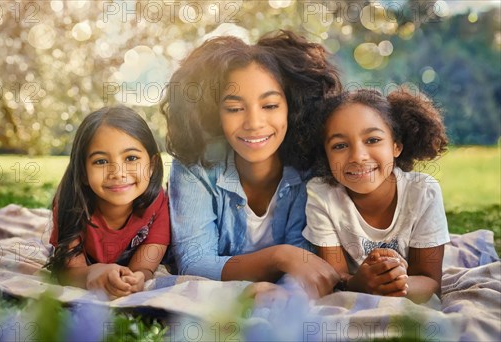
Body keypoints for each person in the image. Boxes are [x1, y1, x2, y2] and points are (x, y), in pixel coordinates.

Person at [160, 30, 341, 298]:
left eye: (269, 105)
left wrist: (290, 264)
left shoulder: (309, 168)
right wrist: (280, 257)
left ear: (292, 107)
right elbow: (194, 262)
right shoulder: (195, 166)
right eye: (234, 109)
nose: (254, 123)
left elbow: (306, 264)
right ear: (214, 113)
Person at [302, 88, 450, 303]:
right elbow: (336, 277)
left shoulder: (423, 192)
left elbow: (430, 281)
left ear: (396, 146)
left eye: (372, 140)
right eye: (340, 145)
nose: (358, 157)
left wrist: (396, 284)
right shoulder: (322, 194)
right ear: (325, 154)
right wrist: (357, 284)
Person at [45, 106, 169, 298]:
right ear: (83, 172)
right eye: (101, 161)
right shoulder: (71, 202)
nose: (118, 172)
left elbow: (144, 267)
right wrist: (92, 273)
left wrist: (136, 279)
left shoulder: (158, 203)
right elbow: (68, 272)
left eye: (131, 158)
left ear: (151, 166)